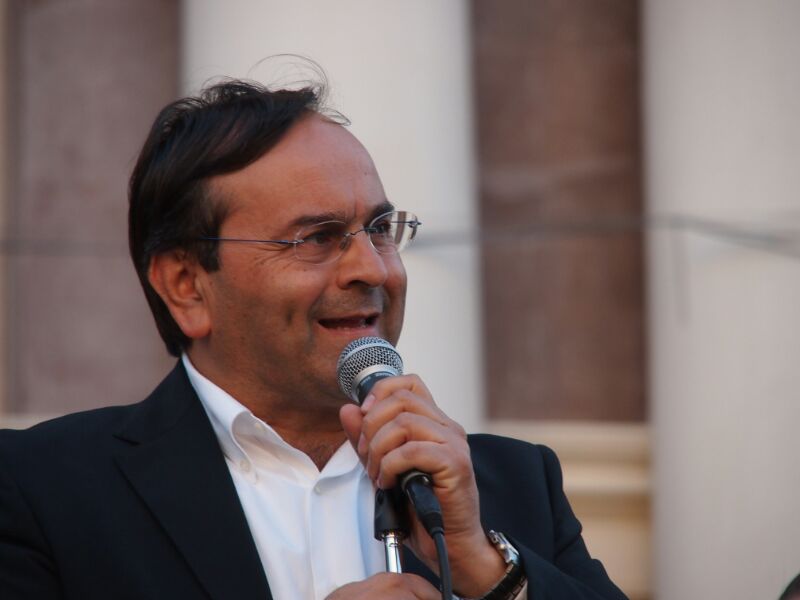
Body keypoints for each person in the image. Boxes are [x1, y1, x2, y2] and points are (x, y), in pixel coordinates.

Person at [0, 78, 627, 600]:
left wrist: (490, 571)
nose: (373, 270)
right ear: (187, 286)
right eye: (317, 238)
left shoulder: (513, 484)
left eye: (380, 228)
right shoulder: (42, 487)